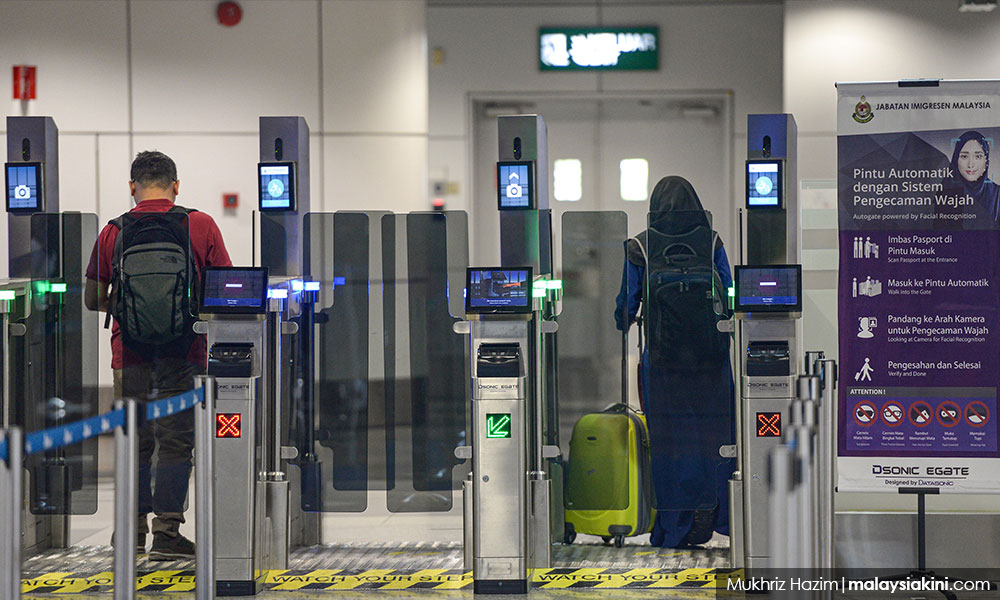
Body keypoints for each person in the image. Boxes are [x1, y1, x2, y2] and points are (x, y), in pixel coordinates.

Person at [85, 151, 232, 559]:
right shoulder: (198, 224)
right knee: (175, 443)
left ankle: (130, 533)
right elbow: (223, 291)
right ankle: (167, 532)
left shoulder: (113, 231)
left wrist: (129, 311)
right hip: (184, 353)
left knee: (136, 442)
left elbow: (91, 297)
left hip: (128, 356)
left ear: (132, 187)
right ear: (176, 185)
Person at [614, 175, 735, 548]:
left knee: (670, 445)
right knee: (717, 439)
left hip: (663, 364)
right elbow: (730, 292)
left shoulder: (640, 247)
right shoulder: (711, 241)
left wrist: (627, 318)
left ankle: (675, 528)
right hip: (712, 362)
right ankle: (722, 517)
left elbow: (625, 307)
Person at [941, 130, 1000, 226]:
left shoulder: (997, 194)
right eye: (964, 156)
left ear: (986, 161)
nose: (971, 164)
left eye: (978, 156)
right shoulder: (944, 192)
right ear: (956, 159)